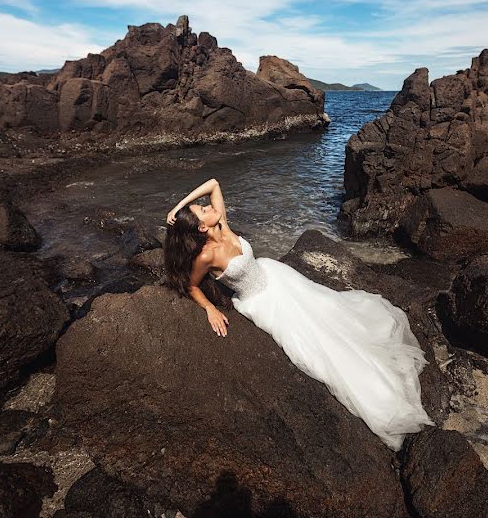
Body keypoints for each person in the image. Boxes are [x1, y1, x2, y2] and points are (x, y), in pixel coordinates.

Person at [163, 178, 434, 450]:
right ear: (201, 227)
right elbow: (191, 285)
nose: (210, 207)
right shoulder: (206, 257)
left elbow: (213, 184)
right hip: (262, 302)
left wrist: (179, 206)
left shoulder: (222, 225)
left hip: (277, 276)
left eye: (204, 206)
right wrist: (209, 307)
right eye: (203, 210)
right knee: (318, 347)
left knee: (332, 313)